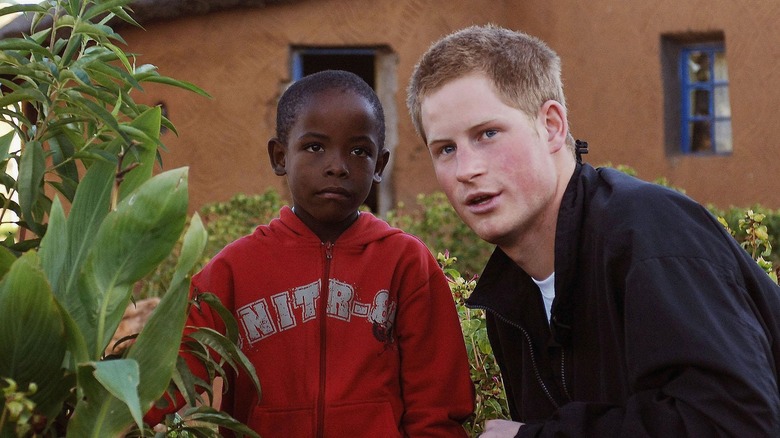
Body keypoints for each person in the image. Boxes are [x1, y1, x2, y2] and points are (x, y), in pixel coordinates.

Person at [406, 24, 780, 437]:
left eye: (488, 134)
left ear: (551, 126)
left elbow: (736, 424)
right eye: (446, 149)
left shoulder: (649, 232)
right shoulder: (511, 294)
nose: (466, 170)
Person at [147, 70, 474, 436]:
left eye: (359, 151)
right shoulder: (235, 270)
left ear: (379, 166)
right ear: (280, 156)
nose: (337, 166)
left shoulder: (405, 263)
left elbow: (438, 406)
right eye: (315, 147)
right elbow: (166, 376)